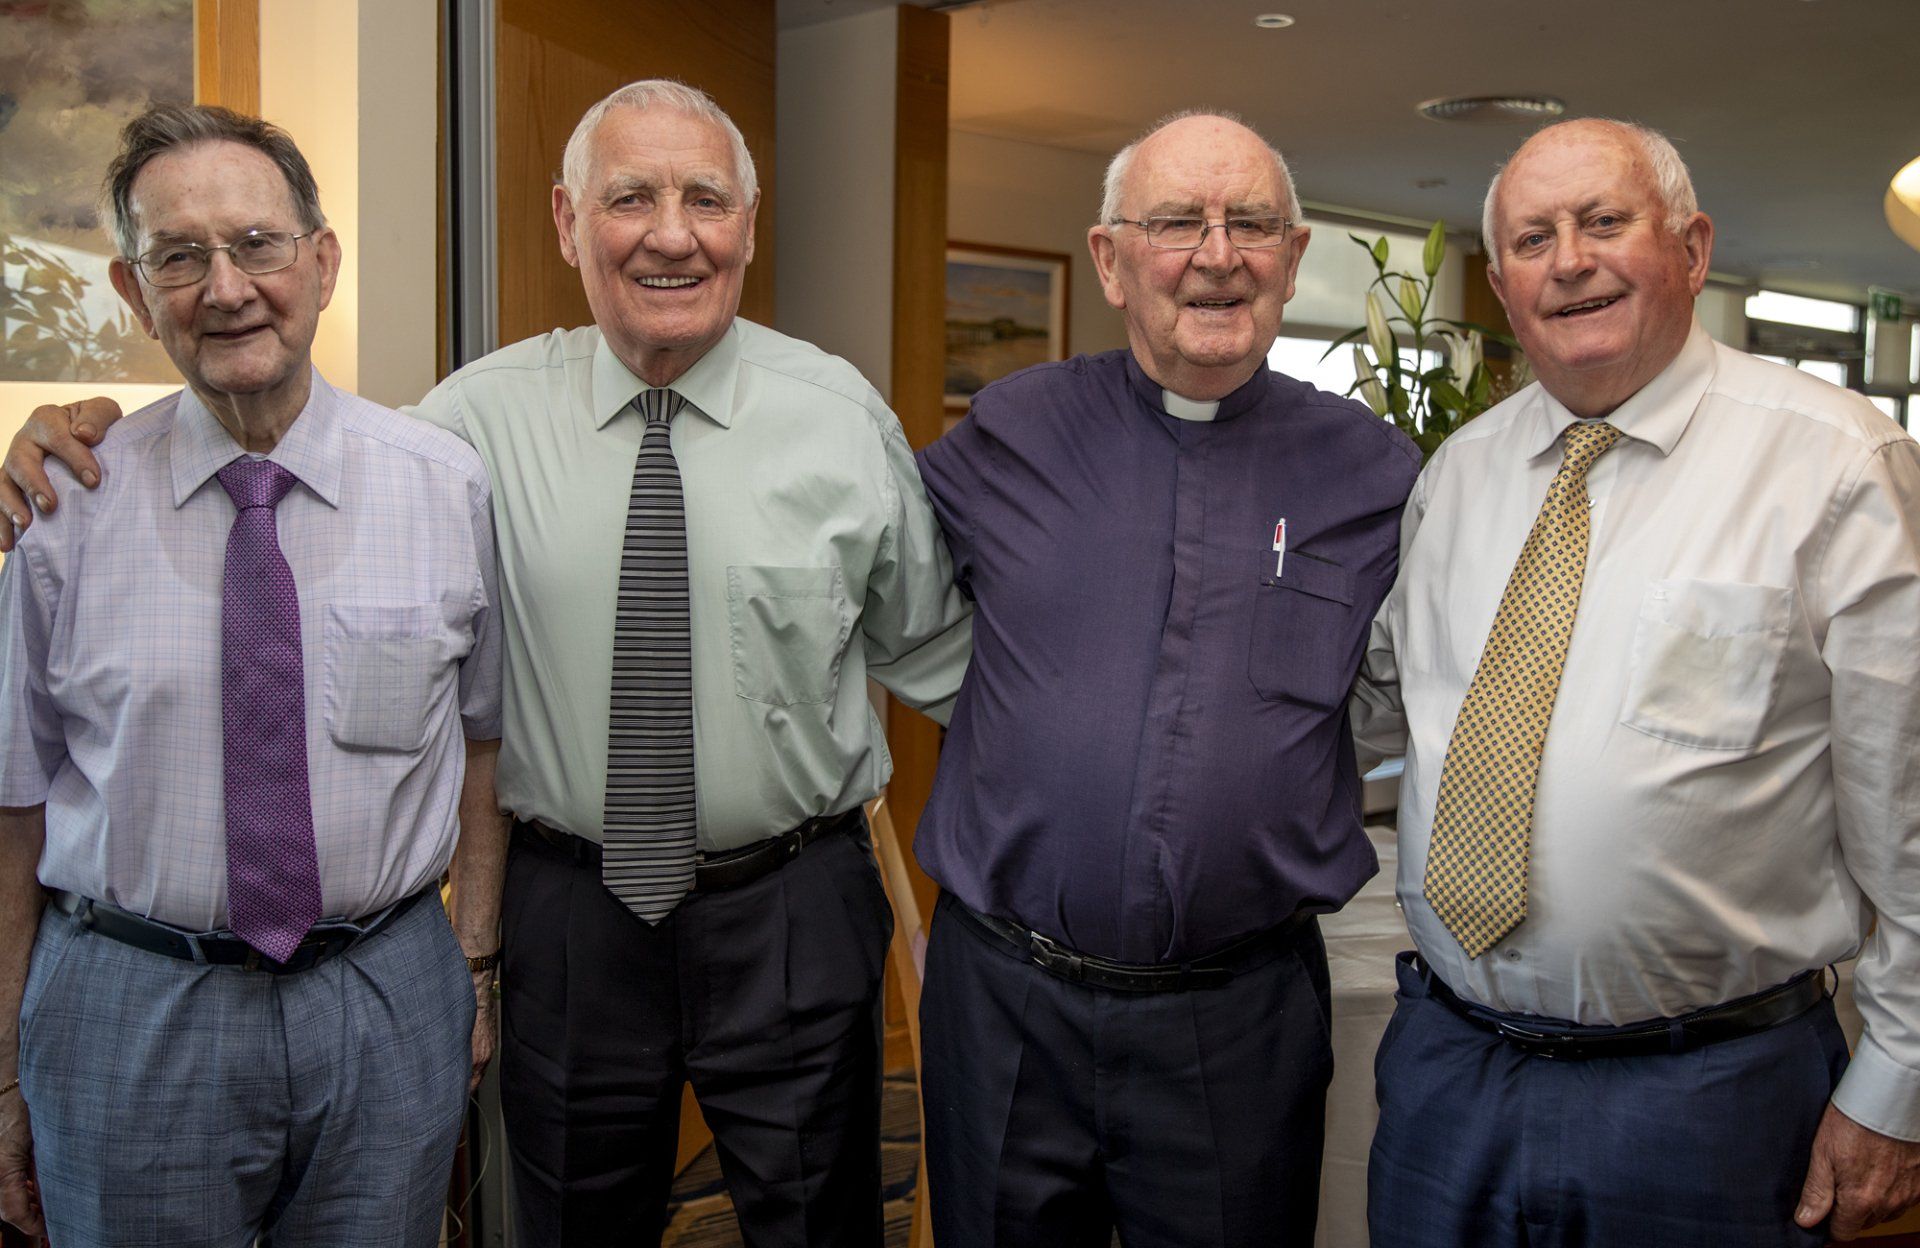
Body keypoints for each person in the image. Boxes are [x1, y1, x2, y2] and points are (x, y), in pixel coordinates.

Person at [0, 79, 971, 1248]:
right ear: (568, 223)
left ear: (747, 229)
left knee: (824, 1219)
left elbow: (942, 650)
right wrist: (69, 430)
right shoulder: (463, 432)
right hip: (569, 915)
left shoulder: (839, 414)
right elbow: (277, 442)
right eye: (629, 198)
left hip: (793, 905)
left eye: (705, 199)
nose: (671, 233)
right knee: (558, 1221)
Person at [1354, 117, 1920, 1246]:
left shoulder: (1836, 464)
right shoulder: (1456, 478)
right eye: (1532, 238)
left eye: (1605, 222)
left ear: (1693, 248)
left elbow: (1908, 800)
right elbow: (1380, 701)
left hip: (1711, 1094)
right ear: (1506, 286)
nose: (1570, 260)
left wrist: (1899, 1083)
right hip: (1449, 1071)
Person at [911, 110, 1419, 1247]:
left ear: (1291, 257)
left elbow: (1417, 678)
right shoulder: (1012, 429)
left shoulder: (1375, 474)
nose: (1216, 253)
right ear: (1111, 259)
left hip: (1238, 1018)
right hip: (1008, 1002)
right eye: (1178, 222)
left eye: (1250, 224)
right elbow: (865, 581)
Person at [0, 104, 504, 1247]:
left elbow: (481, 747)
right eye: (179, 256)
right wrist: (0, 1078)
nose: (225, 288)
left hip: (384, 991)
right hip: (130, 1005)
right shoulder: (58, 509)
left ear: (320, 262)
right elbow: (12, 807)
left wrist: (473, 965)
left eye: (256, 244)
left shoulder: (444, 487)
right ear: (135, 296)